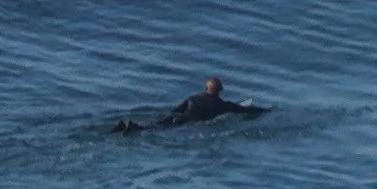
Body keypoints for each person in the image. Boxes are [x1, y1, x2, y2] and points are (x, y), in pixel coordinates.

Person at [111, 76, 263, 135]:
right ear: (220, 90)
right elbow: (245, 110)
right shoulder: (223, 105)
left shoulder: (192, 98)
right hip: (186, 122)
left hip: (176, 116)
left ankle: (130, 125)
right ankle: (133, 127)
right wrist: (267, 110)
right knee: (155, 130)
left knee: (154, 124)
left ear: (205, 88)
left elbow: (175, 110)